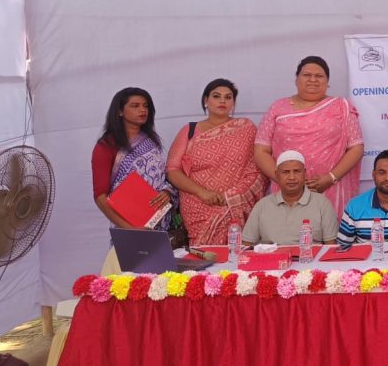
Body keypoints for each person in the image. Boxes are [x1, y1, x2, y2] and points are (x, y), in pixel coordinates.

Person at [254, 55, 364, 217]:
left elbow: (356, 147)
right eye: (307, 75)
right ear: (296, 79)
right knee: (289, 230)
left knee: (327, 228)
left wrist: (330, 178)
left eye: (319, 76)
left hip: (330, 187)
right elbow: (261, 150)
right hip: (286, 189)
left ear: (327, 82)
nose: (313, 79)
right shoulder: (278, 108)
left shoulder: (341, 106)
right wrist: (284, 180)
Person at [165, 79, 267, 245]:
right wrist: (202, 193)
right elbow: (172, 169)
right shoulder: (189, 130)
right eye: (216, 96)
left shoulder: (246, 128)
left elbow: (257, 171)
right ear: (206, 100)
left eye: (228, 97)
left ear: (233, 103)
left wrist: (230, 197)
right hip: (197, 205)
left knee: (236, 253)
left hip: (234, 205)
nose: (222, 101)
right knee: (202, 254)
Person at [91, 87, 173, 230]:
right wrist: (129, 228)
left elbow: (162, 177)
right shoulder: (106, 146)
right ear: (120, 111)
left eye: (146, 106)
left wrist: (167, 192)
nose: (143, 110)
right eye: (135, 106)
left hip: (160, 219)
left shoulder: (151, 141)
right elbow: (100, 196)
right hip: (127, 222)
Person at [242, 150, 338, 245]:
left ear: (304, 173)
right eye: (285, 172)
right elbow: (246, 245)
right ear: (277, 175)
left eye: (297, 171)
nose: (292, 177)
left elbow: (331, 246)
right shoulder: (262, 206)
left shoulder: (322, 204)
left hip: (308, 255)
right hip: (272, 255)